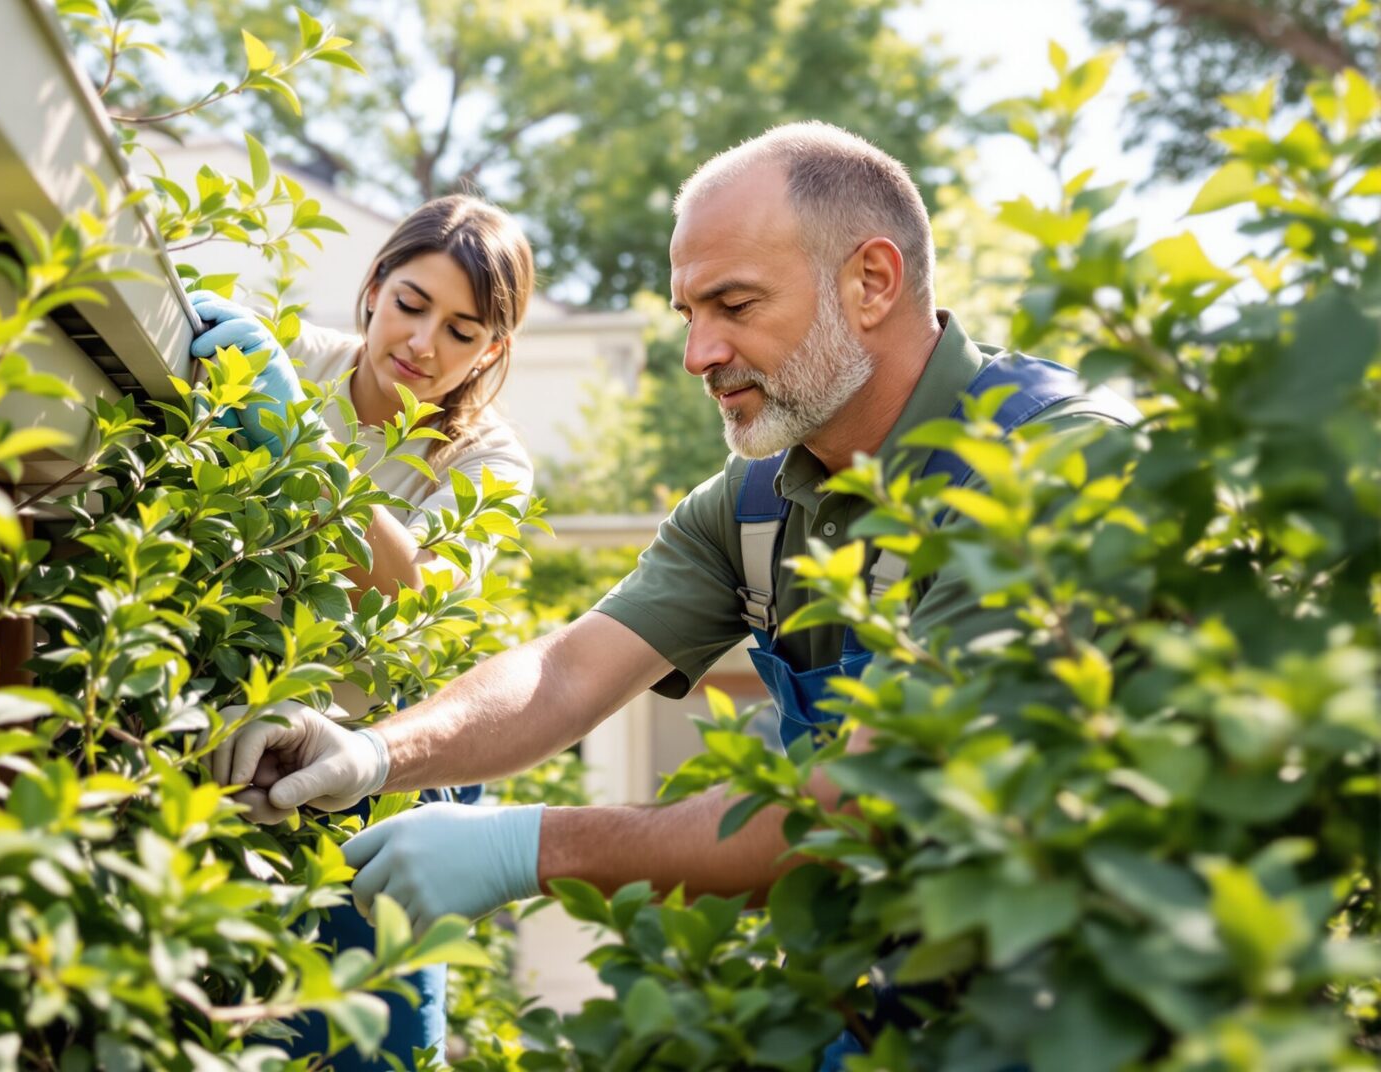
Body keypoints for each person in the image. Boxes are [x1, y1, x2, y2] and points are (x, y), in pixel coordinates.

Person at [208, 122, 1138, 1071]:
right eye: (688, 312)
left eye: (733, 305)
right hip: (884, 1004)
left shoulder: (1050, 465)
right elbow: (568, 672)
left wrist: (524, 847)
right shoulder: (754, 503)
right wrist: (372, 751)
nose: (698, 354)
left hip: (1090, 1015)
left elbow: (866, 802)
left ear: (871, 282)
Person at [187, 194, 538, 1070]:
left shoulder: (489, 464)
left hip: (373, 770)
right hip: (229, 740)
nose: (424, 346)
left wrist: (299, 438)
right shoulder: (288, 359)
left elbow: (410, 591)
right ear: (375, 287)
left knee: (367, 1043)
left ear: (492, 349)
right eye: (412, 306)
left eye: (463, 331)